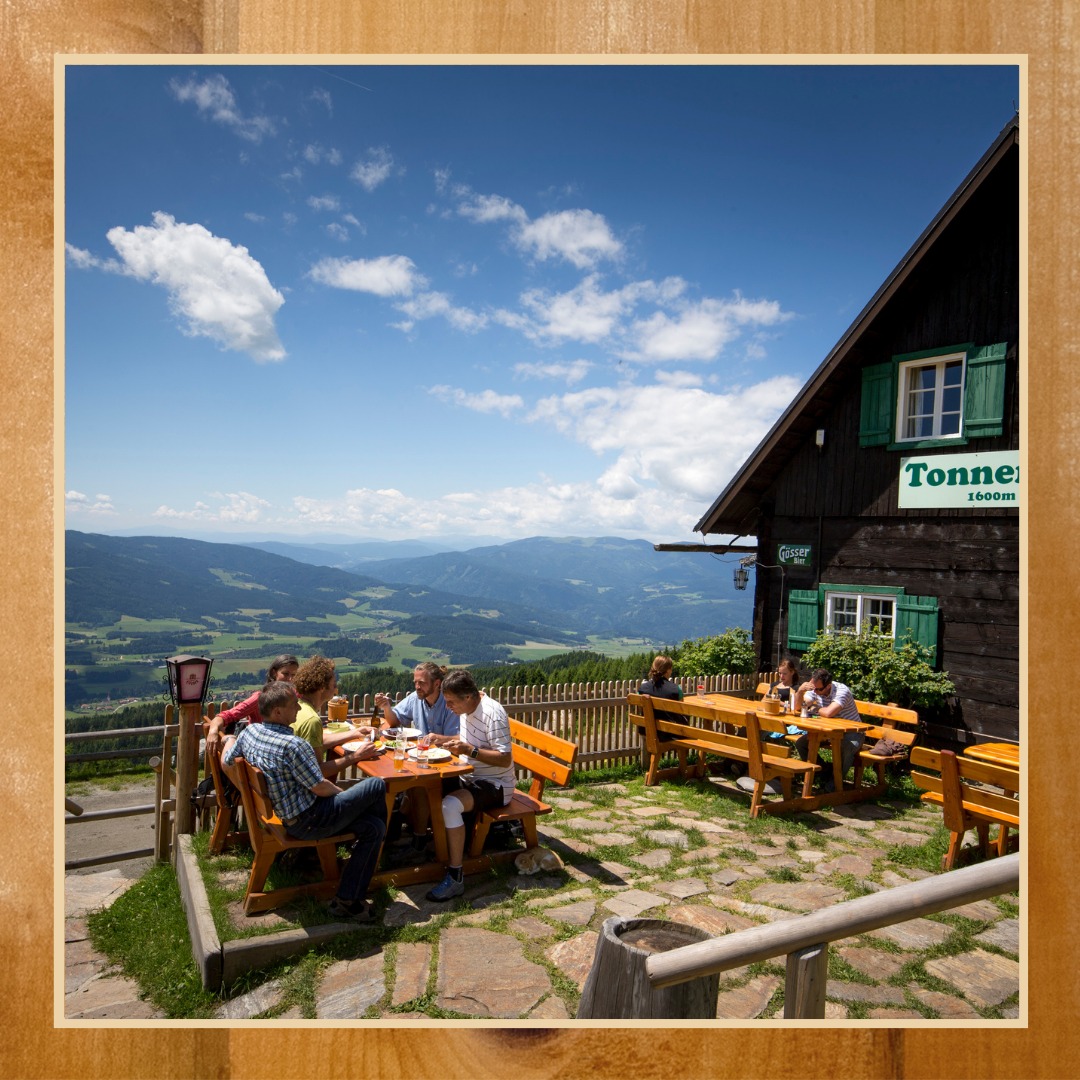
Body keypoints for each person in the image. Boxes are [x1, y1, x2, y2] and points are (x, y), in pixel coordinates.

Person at [221, 680, 387, 921]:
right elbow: (320, 787)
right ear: (278, 712)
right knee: (376, 784)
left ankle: (347, 899)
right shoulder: (293, 745)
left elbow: (227, 761)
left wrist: (228, 740)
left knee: (374, 827)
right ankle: (375, 859)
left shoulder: (250, 732)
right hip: (310, 820)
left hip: (284, 815)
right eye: (293, 705)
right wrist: (345, 798)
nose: (299, 710)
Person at [423, 669, 517, 902]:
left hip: (496, 785)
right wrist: (443, 739)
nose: (448, 707)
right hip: (470, 777)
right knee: (424, 787)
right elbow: (468, 743)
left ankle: (456, 876)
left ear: (468, 696)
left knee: (449, 805)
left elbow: (504, 758)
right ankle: (431, 845)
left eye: (451, 702)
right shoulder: (469, 707)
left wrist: (470, 751)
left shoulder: (492, 713)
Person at [292, 655, 378, 777]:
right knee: (377, 784)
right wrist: (356, 756)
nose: (336, 690)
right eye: (334, 685)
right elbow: (317, 772)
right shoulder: (312, 720)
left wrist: (355, 733)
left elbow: (319, 741)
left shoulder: (298, 709)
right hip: (311, 794)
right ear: (322, 687)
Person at [204, 654, 299, 757]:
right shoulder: (260, 698)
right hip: (262, 754)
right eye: (285, 674)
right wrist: (213, 731)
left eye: (294, 675)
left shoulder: (295, 697)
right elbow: (227, 715)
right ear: (274, 672)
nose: (290, 679)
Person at [791, 668, 865, 791]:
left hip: (852, 733)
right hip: (828, 731)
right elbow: (799, 707)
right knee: (802, 743)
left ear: (828, 686)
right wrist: (800, 692)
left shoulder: (841, 691)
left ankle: (836, 782)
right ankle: (823, 773)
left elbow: (829, 712)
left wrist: (814, 708)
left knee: (846, 746)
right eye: (813, 688)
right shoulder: (815, 688)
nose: (815, 691)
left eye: (818, 689)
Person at [373, 662, 458, 737]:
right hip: (419, 751)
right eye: (415, 682)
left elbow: (455, 740)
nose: (417, 687)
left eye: (421, 683)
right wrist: (387, 707)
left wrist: (438, 740)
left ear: (437, 684)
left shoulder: (450, 704)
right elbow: (395, 722)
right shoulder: (415, 698)